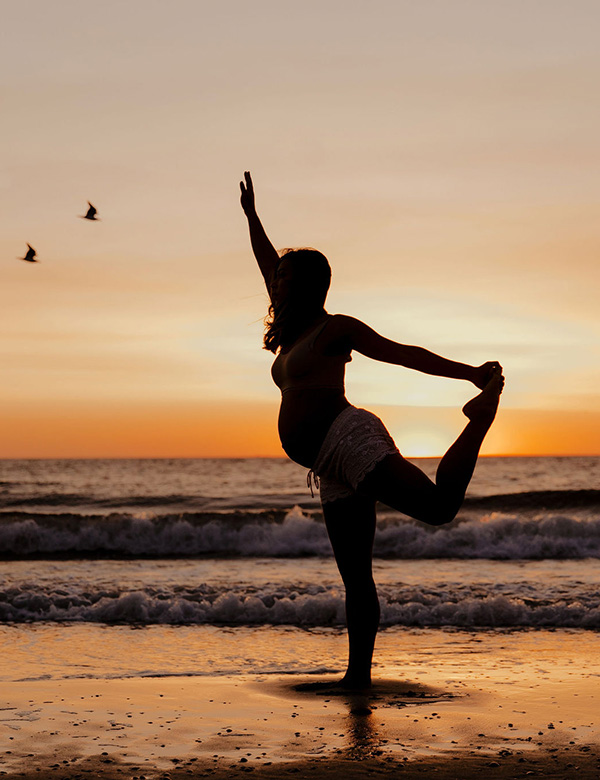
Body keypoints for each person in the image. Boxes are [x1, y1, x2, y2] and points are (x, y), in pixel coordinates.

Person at [240, 171, 504, 690]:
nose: (277, 280)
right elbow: (266, 264)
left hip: (349, 438)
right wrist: (252, 218)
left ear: (310, 283)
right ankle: (357, 677)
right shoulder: (292, 333)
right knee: (355, 574)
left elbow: (402, 354)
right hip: (328, 466)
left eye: (287, 275)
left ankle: (479, 420)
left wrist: (469, 373)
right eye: (278, 275)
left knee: (439, 508)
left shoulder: (335, 327)